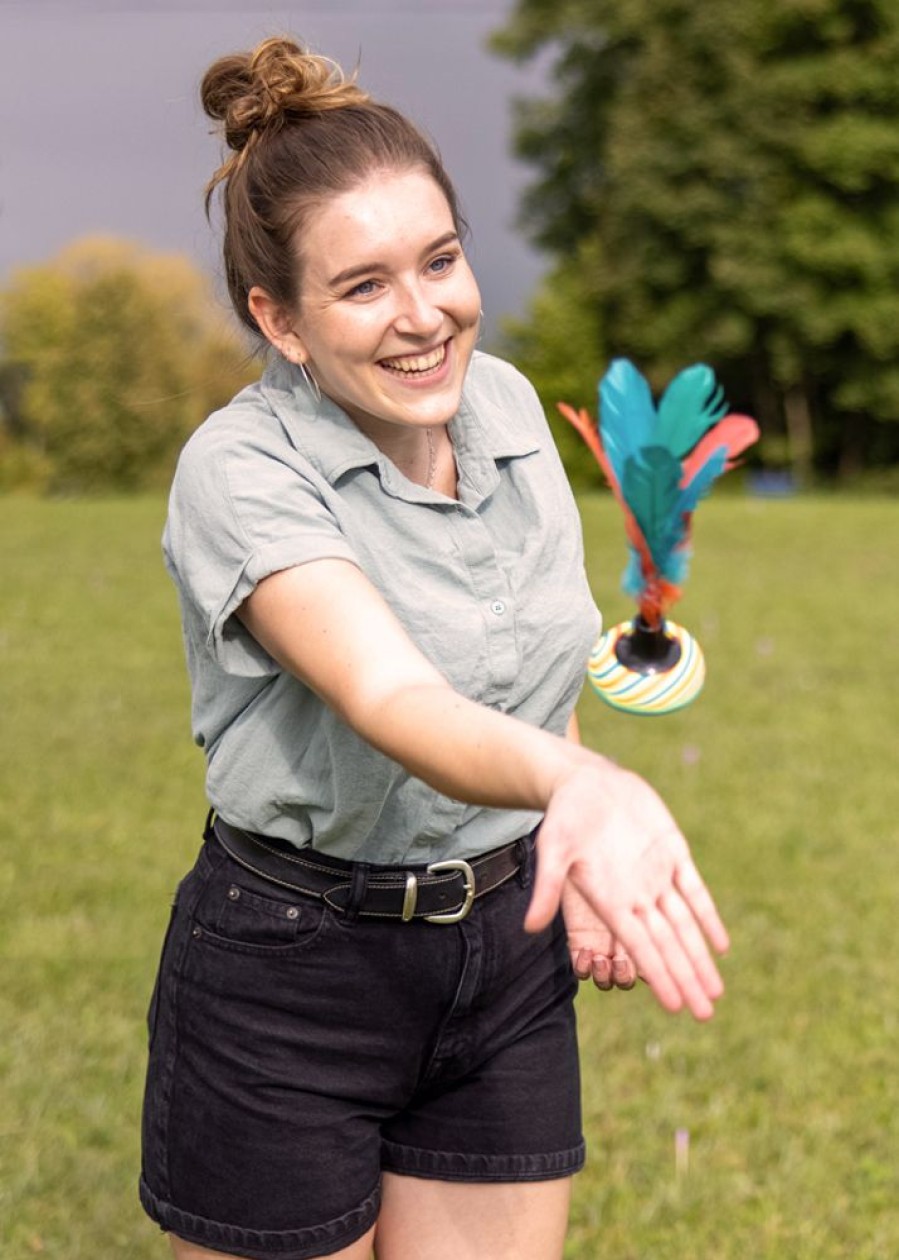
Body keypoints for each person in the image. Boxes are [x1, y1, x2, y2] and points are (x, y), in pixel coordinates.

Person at [139, 35, 729, 1260]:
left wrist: (562, 862)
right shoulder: (241, 470)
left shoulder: (502, 405)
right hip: (295, 972)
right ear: (278, 319)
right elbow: (388, 690)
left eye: (441, 260)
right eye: (361, 286)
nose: (424, 317)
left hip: (503, 953)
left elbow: (536, 659)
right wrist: (586, 788)